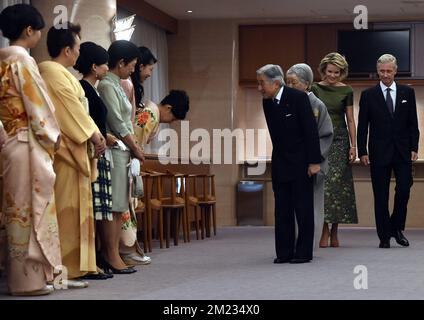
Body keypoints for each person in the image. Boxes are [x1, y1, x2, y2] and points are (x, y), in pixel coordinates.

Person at [0, 4, 61, 296]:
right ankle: (29, 282)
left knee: (15, 211)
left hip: (10, 142)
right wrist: (53, 137)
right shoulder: (22, 60)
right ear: (29, 30)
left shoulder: (2, 60)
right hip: (26, 144)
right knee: (30, 210)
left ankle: (18, 278)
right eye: (38, 31)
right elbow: (39, 108)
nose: (39, 37)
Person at [39, 22, 106, 287]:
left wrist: (92, 133)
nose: (79, 52)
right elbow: (70, 109)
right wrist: (93, 133)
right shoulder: (51, 72)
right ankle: (62, 270)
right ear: (68, 49)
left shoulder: (59, 72)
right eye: (77, 47)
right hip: (65, 149)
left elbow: (75, 108)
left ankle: (76, 268)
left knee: (76, 209)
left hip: (74, 146)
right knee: (65, 211)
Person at [257, 64, 322, 264]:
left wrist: (314, 162)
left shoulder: (299, 98)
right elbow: (277, 136)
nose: (259, 88)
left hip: (302, 163)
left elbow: (310, 131)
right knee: (282, 210)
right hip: (280, 163)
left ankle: (303, 253)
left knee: (303, 209)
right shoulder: (267, 102)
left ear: (275, 83)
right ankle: (284, 252)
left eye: (261, 84)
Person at [357, 54, 419, 248]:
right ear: (378, 71)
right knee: (381, 195)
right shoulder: (368, 95)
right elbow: (363, 126)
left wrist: (414, 147)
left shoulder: (406, 93)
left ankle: (396, 227)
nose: (385, 74)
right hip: (378, 152)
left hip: (402, 152)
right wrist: (362, 151)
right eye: (382, 71)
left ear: (395, 71)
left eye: (389, 71)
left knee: (403, 190)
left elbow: (413, 124)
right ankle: (384, 236)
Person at [97, 40, 143, 274]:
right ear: (121, 62)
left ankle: (113, 253)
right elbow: (117, 121)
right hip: (114, 150)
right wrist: (136, 148)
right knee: (114, 206)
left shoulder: (118, 84)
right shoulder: (107, 85)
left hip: (122, 150)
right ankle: (110, 254)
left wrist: (133, 148)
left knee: (119, 205)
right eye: (132, 65)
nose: (133, 70)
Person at [74, 41, 117, 279]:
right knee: (94, 207)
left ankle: (99, 255)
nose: (107, 69)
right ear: (94, 66)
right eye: (104, 65)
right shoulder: (83, 88)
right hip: (92, 150)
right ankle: (95, 257)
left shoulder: (93, 89)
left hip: (99, 147)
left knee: (100, 208)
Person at [311, 52, 358, 248]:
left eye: (336, 72)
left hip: (340, 140)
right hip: (321, 138)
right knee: (323, 184)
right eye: (329, 71)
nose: (332, 75)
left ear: (342, 72)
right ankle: (323, 231)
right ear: (323, 70)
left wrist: (353, 145)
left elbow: (350, 119)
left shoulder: (346, 90)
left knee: (339, 186)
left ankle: (335, 231)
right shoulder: (314, 88)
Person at [286, 63, 334, 249]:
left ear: (306, 84)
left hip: (314, 164)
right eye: (287, 82)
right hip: (292, 164)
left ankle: (309, 244)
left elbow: (326, 135)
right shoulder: (287, 103)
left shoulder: (317, 105)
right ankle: (294, 242)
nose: (289, 86)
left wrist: (312, 159)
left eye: (294, 82)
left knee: (312, 205)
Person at [118, 46, 157, 266]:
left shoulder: (130, 85)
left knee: (128, 201)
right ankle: (125, 248)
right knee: (124, 202)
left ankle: (128, 246)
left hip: (128, 145)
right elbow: (125, 123)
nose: (150, 73)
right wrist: (135, 147)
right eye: (147, 68)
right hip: (124, 145)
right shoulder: (125, 84)